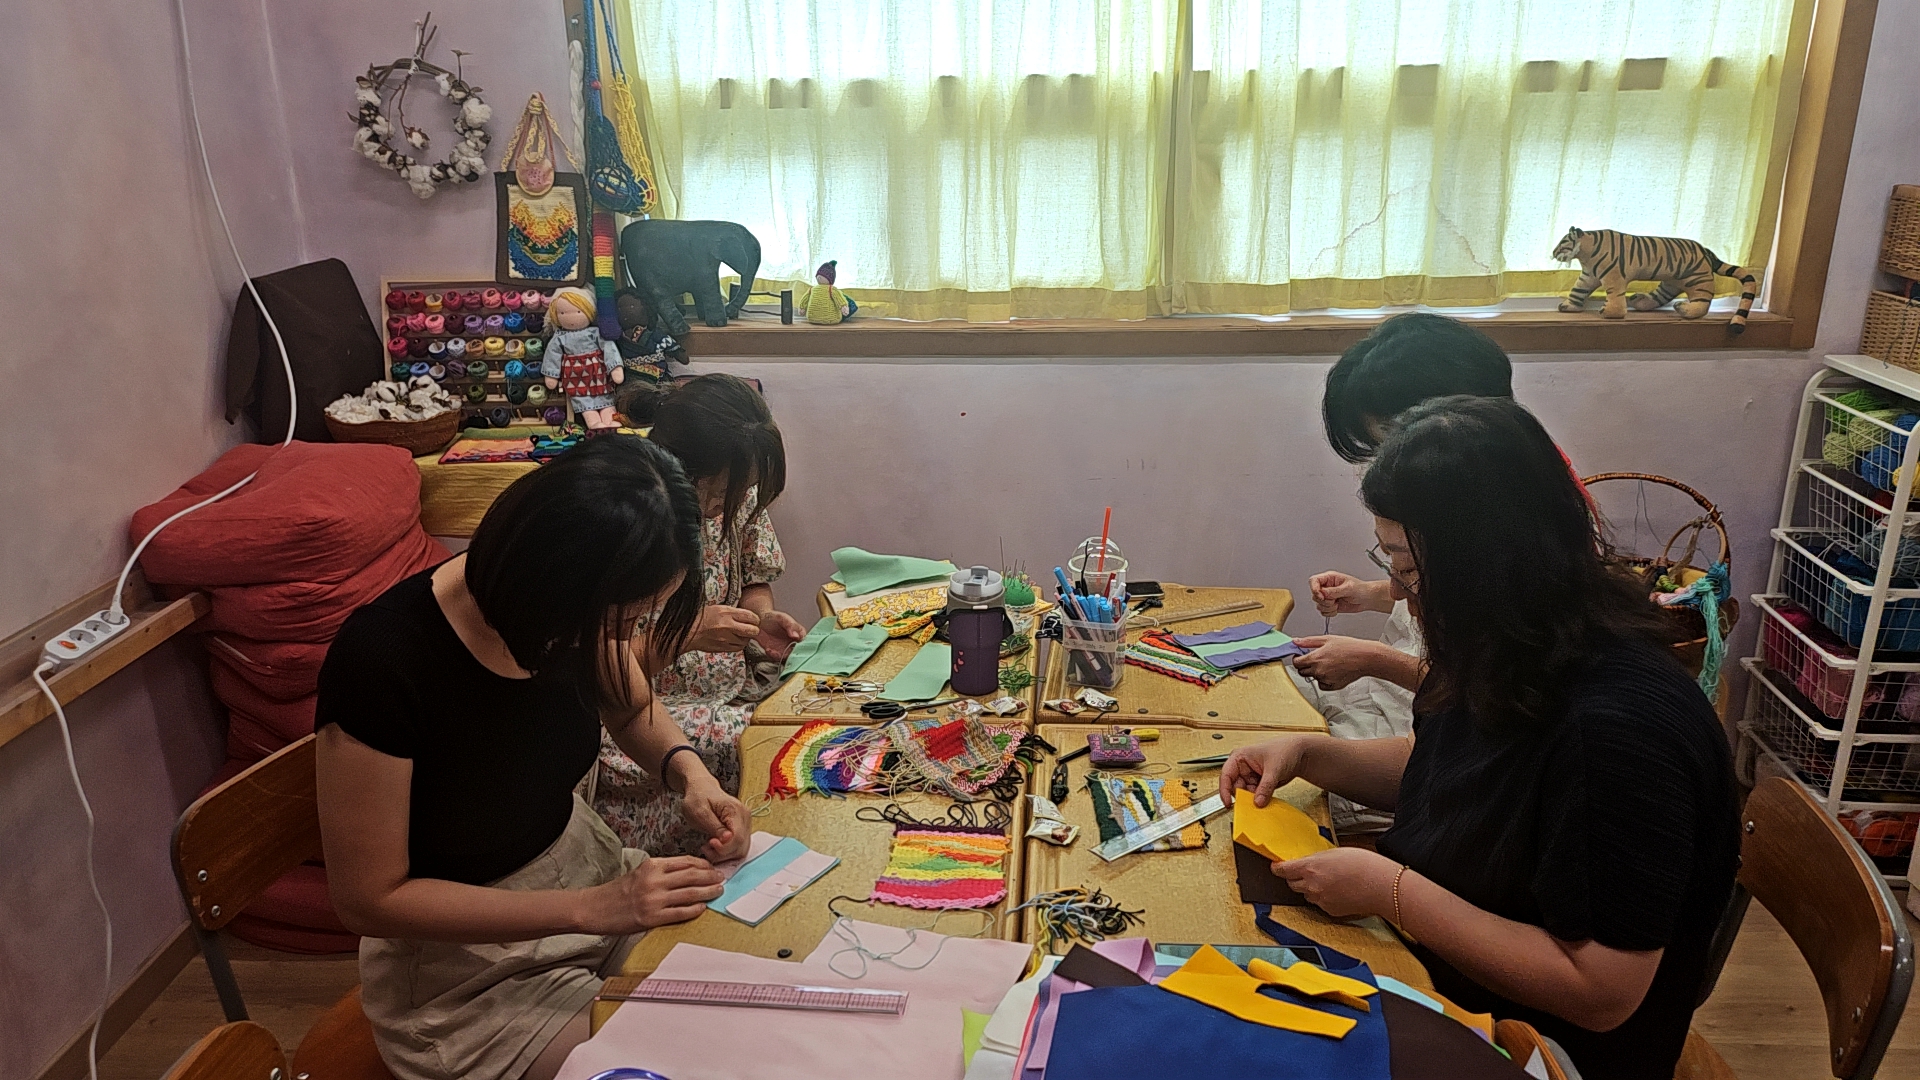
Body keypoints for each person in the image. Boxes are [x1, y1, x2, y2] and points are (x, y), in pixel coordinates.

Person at [1224, 396, 1739, 1080]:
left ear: (1483, 563)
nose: (1400, 592)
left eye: (1409, 569)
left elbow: (1601, 992)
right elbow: (1456, 770)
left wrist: (1390, 889)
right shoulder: (1521, 641)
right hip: (1443, 977)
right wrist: (1313, 756)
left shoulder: (1616, 735)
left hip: (1544, 1049)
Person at [314, 436, 751, 1080]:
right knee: (682, 1057)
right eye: (620, 619)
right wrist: (591, 909)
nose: (621, 638)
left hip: (587, 874)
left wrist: (691, 774)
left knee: (751, 989)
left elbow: (630, 708)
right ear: (560, 585)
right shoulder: (385, 661)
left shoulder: (568, 612)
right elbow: (368, 899)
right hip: (464, 976)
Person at [1290, 313, 1515, 829]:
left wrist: (1373, 659)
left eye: (1389, 444)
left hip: (1417, 746)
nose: (1383, 464)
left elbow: (1476, 710)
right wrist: (1370, 593)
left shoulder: (1504, 541)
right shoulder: (1473, 497)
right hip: (1401, 718)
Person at [594, 374, 807, 853]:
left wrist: (759, 621)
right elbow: (606, 681)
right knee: (766, 747)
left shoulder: (735, 497)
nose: (718, 510)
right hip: (647, 713)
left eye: (740, 492)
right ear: (674, 468)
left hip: (726, 691)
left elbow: (754, 578)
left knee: (805, 714)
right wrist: (683, 635)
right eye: (715, 493)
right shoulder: (635, 519)